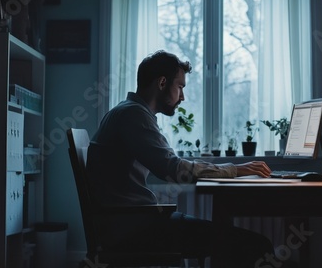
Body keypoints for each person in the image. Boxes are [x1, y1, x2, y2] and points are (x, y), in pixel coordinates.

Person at [86, 50, 275, 267]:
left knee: (233, 239)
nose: (182, 97)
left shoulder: (125, 112)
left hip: (130, 224)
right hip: (134, 231)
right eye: (181, 87)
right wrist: (236, 169)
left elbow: (170, 164)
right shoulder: (134, 116)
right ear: (162, 83)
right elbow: (174, 170)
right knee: (256, 245)